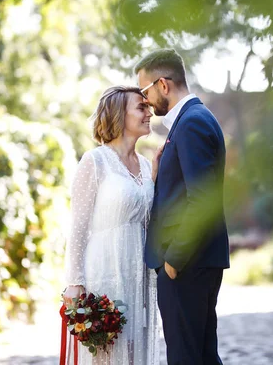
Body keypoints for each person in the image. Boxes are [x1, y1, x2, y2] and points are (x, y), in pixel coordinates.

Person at [136, 48, 230, 365]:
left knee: (185, 357)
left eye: (144, 90)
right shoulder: (191, 121)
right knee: (200, 356)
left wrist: (174, 258)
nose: (144, 100)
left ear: (163, 84)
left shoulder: (192, 123)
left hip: (188, 262)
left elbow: (202, 199)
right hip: (196, 261)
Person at [62, 86, 161, 364]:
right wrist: (75, 282)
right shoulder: (94, 161)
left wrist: (154, 175)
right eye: (141, 107)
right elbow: (78, 226)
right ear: (119, 115)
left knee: (133, 353)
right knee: (106, 353)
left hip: (138, 274)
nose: (149, 112)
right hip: (104, 272)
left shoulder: (144, 164)